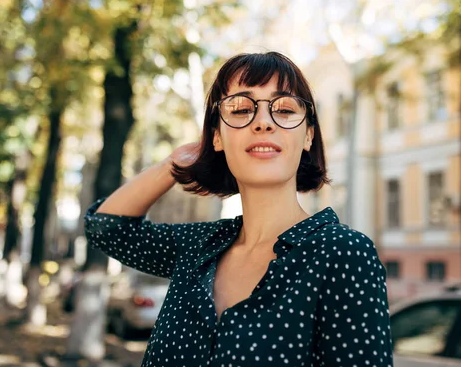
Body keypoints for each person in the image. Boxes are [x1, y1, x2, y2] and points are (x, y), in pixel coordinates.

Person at [85, 51, 393, 367]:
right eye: (241, 108)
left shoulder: (344, 254)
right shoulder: (197, 247)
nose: (263, 122)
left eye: (285, 109)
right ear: (217, 136)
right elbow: (107, 228)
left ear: (308, 135)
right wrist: (174, 164)